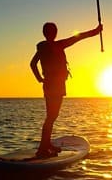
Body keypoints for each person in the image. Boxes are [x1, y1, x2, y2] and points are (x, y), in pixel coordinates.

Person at [30, 22, 103, 158]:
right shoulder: (58, 45)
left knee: (51, 116)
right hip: (55, 86)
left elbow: (32, 64)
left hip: (48, 84)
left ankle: (46, 144)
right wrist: (95, 31)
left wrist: (40, 79)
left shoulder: (41, 48)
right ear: (53, 33)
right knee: (51, 116)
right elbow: (78, 37)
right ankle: (42, 148)